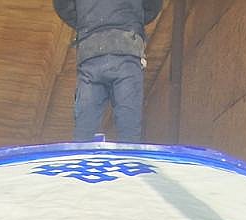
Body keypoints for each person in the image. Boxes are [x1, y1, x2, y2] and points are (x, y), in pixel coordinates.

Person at [53, 0, 164, 144]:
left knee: (83, 133)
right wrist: (131, 19)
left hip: (91, 52)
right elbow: (152, 6)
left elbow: (63, 6)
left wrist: (87, 23)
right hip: (126, 49)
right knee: (129, 130)